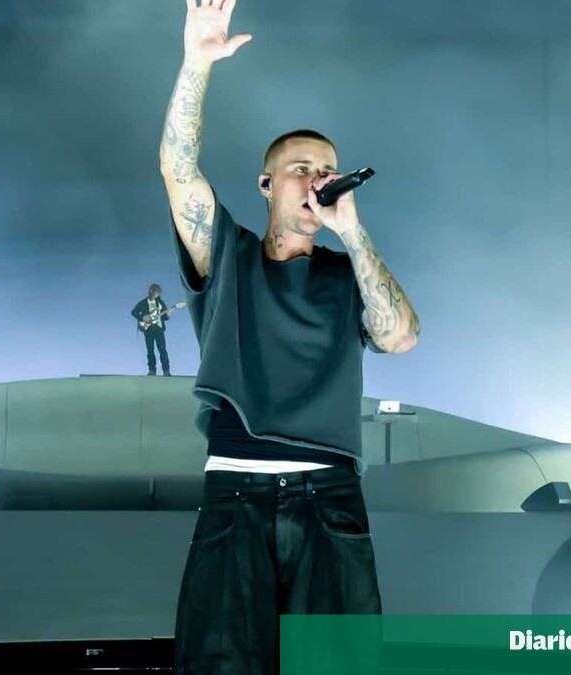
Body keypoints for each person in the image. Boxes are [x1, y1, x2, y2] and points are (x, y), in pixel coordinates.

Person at [158, 1, 420, 672]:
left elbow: (399, 337)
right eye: (301, 168)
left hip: (329, 497)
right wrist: (196, 64)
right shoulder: (230, 257)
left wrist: (351, 229)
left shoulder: (347, 271)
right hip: (234, 494)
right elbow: (178, 169)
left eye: (326, 170)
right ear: (266, 183)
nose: (316, 180)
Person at [131, 283, 174, 376]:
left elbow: (164, 317)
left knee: (162, 349)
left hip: (159, 329)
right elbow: (133, 312)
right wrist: (143, 317)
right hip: (148, 329)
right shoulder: (143, 303)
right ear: (151, 291)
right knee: (150, 350)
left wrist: (168, 315)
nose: (156, 295)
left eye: (158, 293)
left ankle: (166, 370)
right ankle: (152, 370)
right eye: (155, 292)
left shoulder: (160, 303)